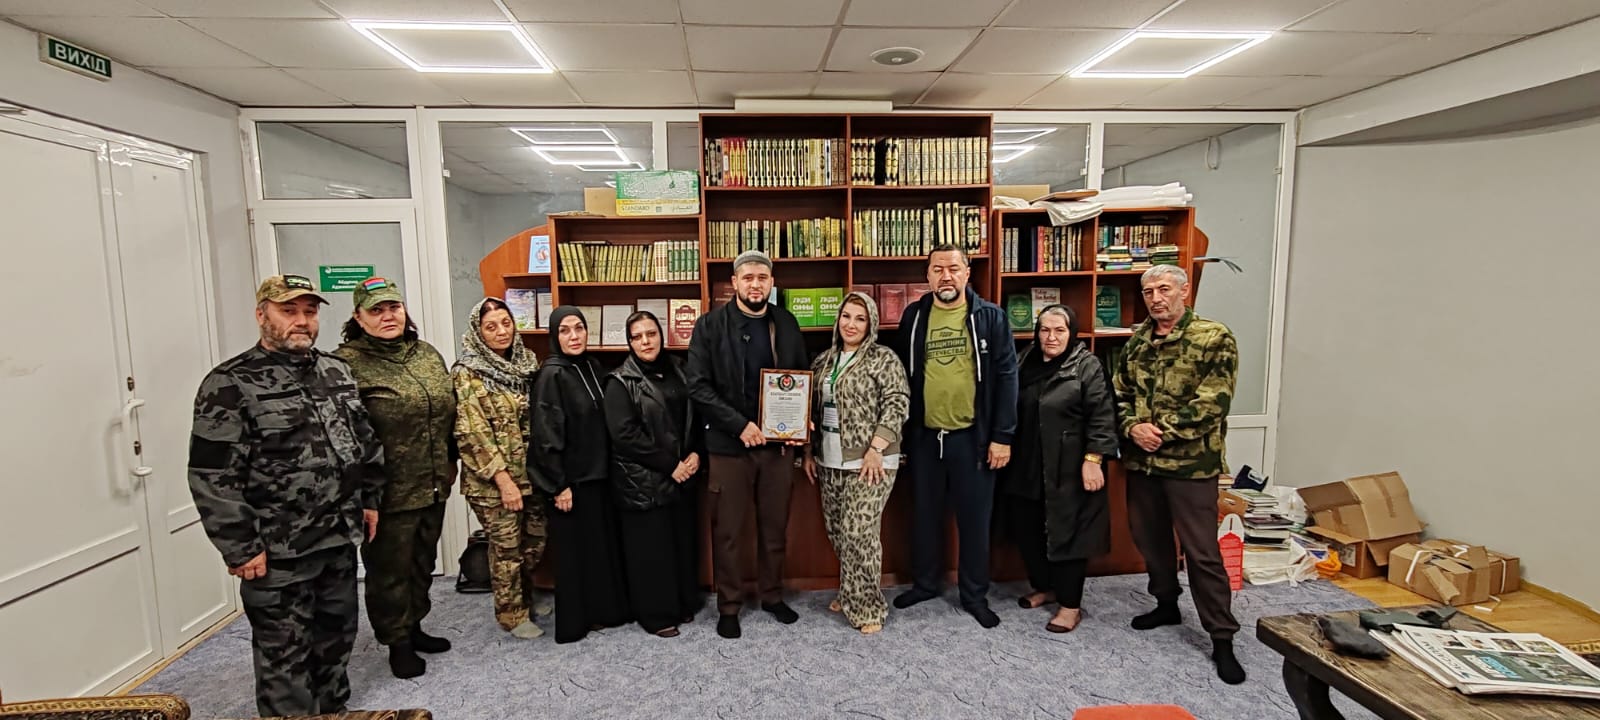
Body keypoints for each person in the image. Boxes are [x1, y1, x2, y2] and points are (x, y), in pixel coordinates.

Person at [187, 274, 383, 717]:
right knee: (285, 654)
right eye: (288, 311)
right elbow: (212, 474)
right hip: (278, 548)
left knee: (336, 639)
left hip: (337, 535)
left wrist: (369, 499)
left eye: (309, 312)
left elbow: (362, 442)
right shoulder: (229, 383)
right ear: (262, 315)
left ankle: (332, 710)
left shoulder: (335, 371)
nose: (302, 321)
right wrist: (240, 545)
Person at [1113, 264, 1245, 685]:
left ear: (1184, 291)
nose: (1156, 298)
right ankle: (1166, 604)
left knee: (1202, 553)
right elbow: (1120, 393)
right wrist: (1132, 427)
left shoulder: (1213, 337)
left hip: (1191, 465)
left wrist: (1159, 432)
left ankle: (1221, 636)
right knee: (1150, 541)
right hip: (1143, 464)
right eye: (1149, 291)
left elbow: (1214, 403)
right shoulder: (1137, 342)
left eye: (1164, 289)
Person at [333, 277, 458, 679]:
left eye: (394, 307)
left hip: (433, 482)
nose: (388, 316)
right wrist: (360, 494)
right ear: (358, 318)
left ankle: (415, 625)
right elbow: (343, 436)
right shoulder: (345, 364)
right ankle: (397, 641)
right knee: (389, 571)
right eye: (377, 310)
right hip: (387, 493)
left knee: (422, 562)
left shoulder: (426, 354)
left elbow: (448, 411)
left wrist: (451, 460)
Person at [685, 249, 809, 640]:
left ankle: (772, 596)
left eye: (762, 278)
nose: (755, 285)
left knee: (774, 528)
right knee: (729, 532)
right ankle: (729, 606)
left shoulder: (785, 322)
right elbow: (697, 386)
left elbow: (799, 375)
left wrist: (802, 416)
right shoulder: (709, 326)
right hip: (729, 448)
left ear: (772, 283)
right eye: (748, 278)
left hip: (777, 448)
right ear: (734, 282)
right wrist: (739, 425)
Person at [893, 244, 1018, 628]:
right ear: (927, 276)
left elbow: (1007, 377)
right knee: (925, 516)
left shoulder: (990, 317)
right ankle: (925, 584)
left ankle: (974, 595)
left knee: (974, 522)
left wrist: (1002, 436)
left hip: (973, 438)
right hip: (926, 438)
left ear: (967, 273)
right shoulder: (914, 316)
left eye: (953, 268)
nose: (945, 276)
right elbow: (903, 374)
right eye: (937, 269)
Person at [1000, 304, 1117, 634]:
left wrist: (1094, 459)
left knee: (1069, 535)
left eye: (1059, 331)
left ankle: (1070, 605)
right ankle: (1045, 587)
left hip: (1068, 467)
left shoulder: (1087, 366)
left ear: (1072, 333)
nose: (1051, 337)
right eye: (1045, 330)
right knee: (1029, 530)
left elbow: (1103, 416)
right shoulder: (1025, 359)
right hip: (1026, 464)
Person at [802, 292, 909, 635]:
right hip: (829, 459)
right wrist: (808, 452)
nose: (851, 324)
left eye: (860, 319)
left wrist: (876, 447)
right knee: (838, 531)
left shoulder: (883, 359)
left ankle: (868, 608)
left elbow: (897, 403)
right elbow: (809, 409)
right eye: (846, 316)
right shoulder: (823, 361)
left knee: (859, 533)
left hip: (872, 461)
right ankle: (851, 593)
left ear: (871, 324)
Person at [529, 306, 630, 643]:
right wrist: (558, 485)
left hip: (598, 476)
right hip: (570, 483)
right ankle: (574, 624)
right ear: (554, 336)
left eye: (579, 328)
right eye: (565, 330)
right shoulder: (551, 375)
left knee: (598, 549)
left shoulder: (591, 366)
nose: (574, 336)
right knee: (573, 555)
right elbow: (546, 436)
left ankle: (603, 612)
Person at [452, 297, 549, 640]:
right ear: (478, 332)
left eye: (506, 323)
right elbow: (472, 433)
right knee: (507, 549)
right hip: (493, 481)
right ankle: (511, 614)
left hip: (530, 473)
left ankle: (525, 597)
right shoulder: (468, 372)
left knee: (534, 541)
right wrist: (504, 481)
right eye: (491, 327)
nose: (501, 332)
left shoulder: (526, 364)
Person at [604, 311, 704, 638]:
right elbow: (625, 436)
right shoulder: (620, 381)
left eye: (651, 333)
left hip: (682, 476)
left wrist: (696, 453)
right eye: (637, 337)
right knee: (651, 552)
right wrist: (671, 465)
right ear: (629, 342)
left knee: (679, 543)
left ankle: (682, 603)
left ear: (661, 335)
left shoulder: (680, 368)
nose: (646, 341)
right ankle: (656, 615)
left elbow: (695, 416)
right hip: (644, 481)